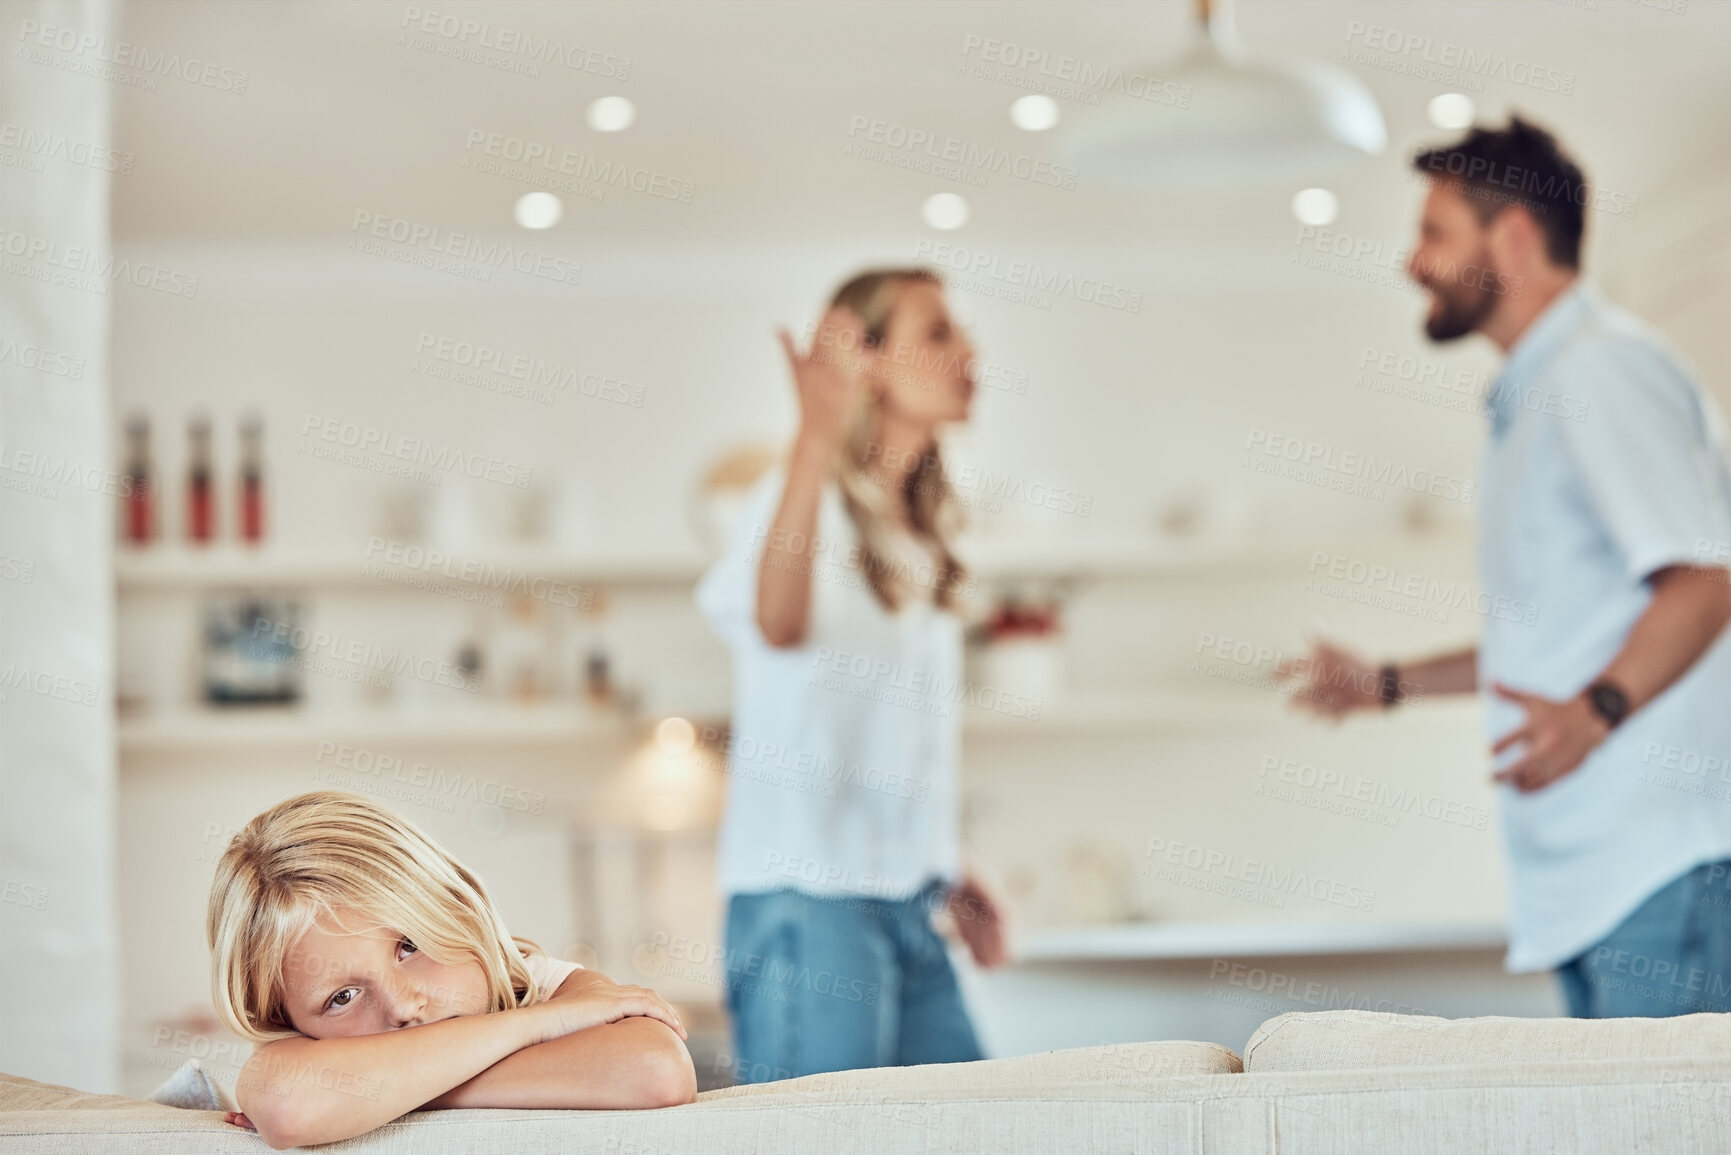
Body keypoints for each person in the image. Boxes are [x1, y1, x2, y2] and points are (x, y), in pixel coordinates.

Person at [1279, 117, 1731, 1017]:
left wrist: (1594, 711)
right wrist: (1388, 683)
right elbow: (1562, 638)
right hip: (1603, 881)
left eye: (1434, 233)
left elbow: (1707, 577)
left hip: (1659, 866)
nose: (1413, 262)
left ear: (1514, 238)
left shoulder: (1596, 371)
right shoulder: (1538, 390)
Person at [696, 268, 1006, 1083]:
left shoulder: (917, 527)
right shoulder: (804, 496)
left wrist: (948, 859)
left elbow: (884, 730)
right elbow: (778, 621)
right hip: (809, 904)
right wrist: (814, 434)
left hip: (906, 900)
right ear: (864, 357)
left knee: (980, 1129)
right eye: (936, 332)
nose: (967, 350)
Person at [206, 791, 695, 1148]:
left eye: (409, 945)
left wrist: (380, 1091)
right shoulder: (293, 1054)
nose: (403, 1006)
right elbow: (290, 1104)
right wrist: (537, 1026)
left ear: (459, 905)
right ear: (285, 1022)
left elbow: (656, 1069)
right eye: (342, 998)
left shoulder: (550, 984)